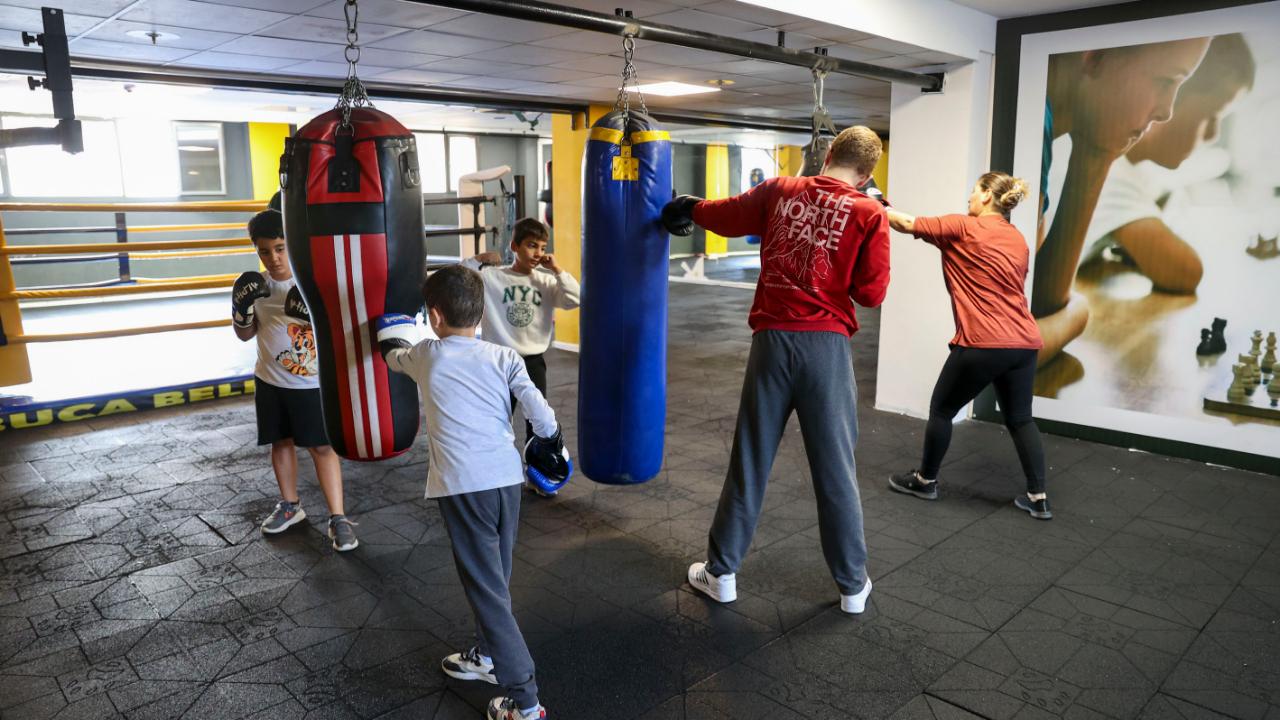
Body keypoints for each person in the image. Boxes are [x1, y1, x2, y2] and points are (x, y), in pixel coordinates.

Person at [661, 125, 889, 614]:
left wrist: (687, 206)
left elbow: (722, 215)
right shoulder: (870, 212)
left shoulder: (781, 189)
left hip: (772, 342)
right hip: (825, 347)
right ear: (868, 173)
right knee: (835, 469)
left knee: (750, 457)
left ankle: (720, 573)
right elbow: (871, 294)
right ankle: (852, 587)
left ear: (827, 153)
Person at [375, 264, 568, 720]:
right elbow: (543, 418)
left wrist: (388, 330)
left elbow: (390, 355)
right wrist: (552, 444)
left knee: (487, 591)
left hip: (464, 488)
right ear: (481, 316)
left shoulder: (428, 355)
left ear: (435, 316)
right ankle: (485, 656)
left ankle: (525, 702)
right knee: (495, 576)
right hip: (507, 479)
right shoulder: (505, 357)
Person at [884, 173, 1052, 520]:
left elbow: (903, 222)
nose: (969, 198)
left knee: (942, 410)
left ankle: (925, 480)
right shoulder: (1017, 239)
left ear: (988, 196)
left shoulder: (963, 227)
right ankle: (1038, 498)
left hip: (984, 341)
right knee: (1020, 418)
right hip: (1024, 342)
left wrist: (872, 201)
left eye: (975, 191)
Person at [1033, 37, 1211, 364]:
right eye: (1165, 81)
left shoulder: (1039, 128)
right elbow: (1009, 350)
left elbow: (1037, 303)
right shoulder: (1030, 124)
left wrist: (1096, 156)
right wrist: (1076, 317)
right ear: (1096, 55)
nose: (1166, 111)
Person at [1081, 34, 1255, 292]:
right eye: (1211, 116)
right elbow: (1185, 272)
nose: (1212, 135)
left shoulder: (1138, 173)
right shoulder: (1109, 175)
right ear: (1169, 98)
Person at [232, 210, 357, 551]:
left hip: (312, 384)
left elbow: (342, 332)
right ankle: (291, 506)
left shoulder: (314, 283)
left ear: (294, 246)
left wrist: (319, 316)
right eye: (264, 251)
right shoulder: (257, 286)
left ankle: (338, 517)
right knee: (281, 442)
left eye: (280, 248)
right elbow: (245, 334)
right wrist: (241, 312)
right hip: (271, 381)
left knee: (322, 447)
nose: (273, 258)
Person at [463, 218, 580, 496]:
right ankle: (493, 474)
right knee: (496, 418)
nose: (538, 253)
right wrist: (478, 258)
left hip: (532, 361)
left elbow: (575, 298)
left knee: (536, 419)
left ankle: (536, 474)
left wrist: (558, 269)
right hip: (498, 360)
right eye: (531, 246)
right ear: (514, 246)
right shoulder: (493, 276)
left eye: (542, 247)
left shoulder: (546, 282)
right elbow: (461, 275)